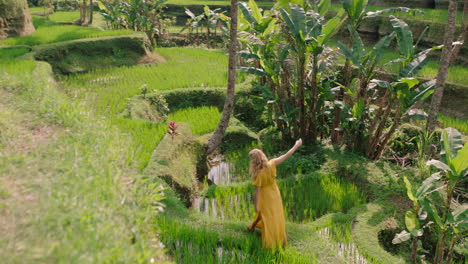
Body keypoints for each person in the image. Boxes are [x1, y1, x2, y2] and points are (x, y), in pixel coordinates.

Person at [247, 138, 303, 249]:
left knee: (267, 217)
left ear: (253, 162)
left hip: (266, 197)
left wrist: (256, 205)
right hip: (275, 194)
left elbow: (257, 192)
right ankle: (276, 237)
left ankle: (269, 241)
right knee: (275, 216)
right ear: (262, 156)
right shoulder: (272, 163)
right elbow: (286, 155)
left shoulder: (258, 174)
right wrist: (296, 145)